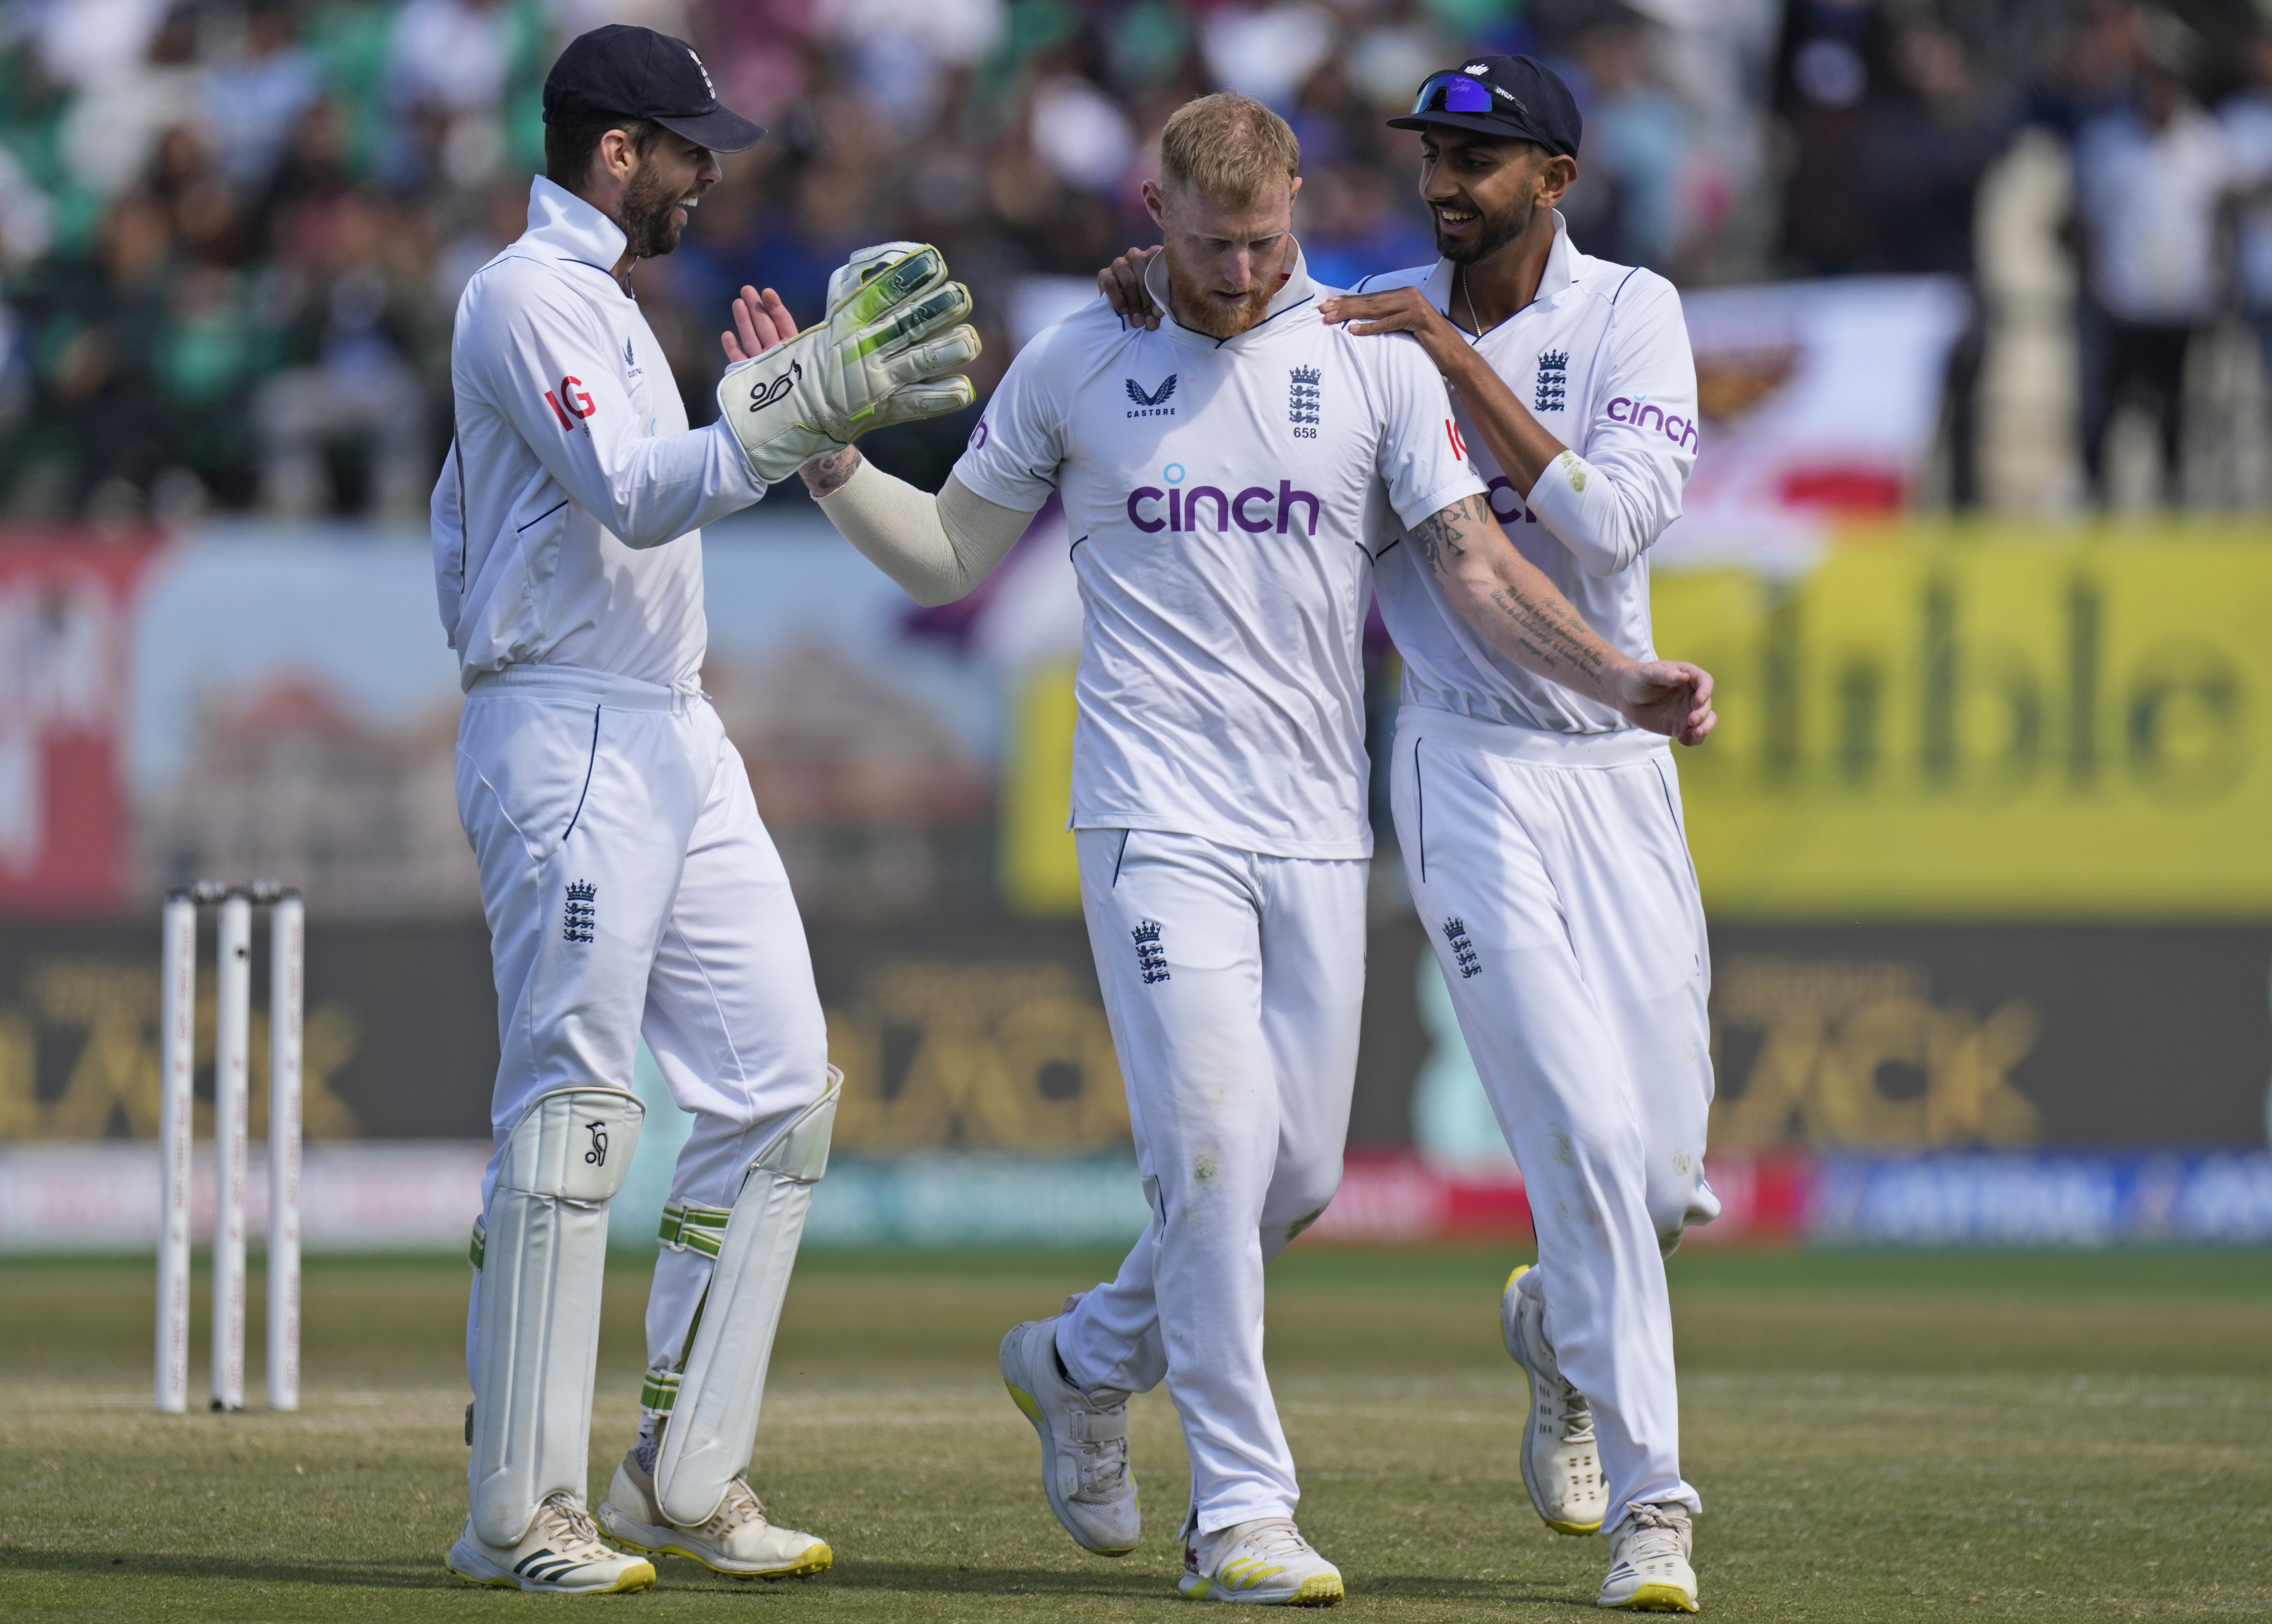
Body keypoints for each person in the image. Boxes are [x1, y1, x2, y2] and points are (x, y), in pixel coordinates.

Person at [757, 89, 1712, 1607]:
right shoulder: (1081, 359)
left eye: (1268, 242)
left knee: (1293, 1178)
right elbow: (948, 550)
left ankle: (1080, 1362)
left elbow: (1473, 568)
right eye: (1213, 248)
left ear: (1301, 218)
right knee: (1208, 1154)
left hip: (1317, 827)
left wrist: (1615, 681)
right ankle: (1243, 1514)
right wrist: (825, 462)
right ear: (1155, 219)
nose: (1245, 273)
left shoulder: (1367, 356)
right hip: (1151, 818)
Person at [1098, 52, 1719, 1615]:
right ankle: (1660, 1505)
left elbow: (1607, 523)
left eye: (1484, 159)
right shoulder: (1361, 316)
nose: (1448, 183)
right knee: (1575, 1135)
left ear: (1555, 181)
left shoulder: (1628, 313)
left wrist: (1452, 356)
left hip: (1620, 772)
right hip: (1465, 767)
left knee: (1657, 1177)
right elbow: (1222, 318)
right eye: (1435, 155)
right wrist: (1148, 277)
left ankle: (1558, 1335)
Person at [430, 24, 976, 1593]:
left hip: (675, 723)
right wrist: (803, 392)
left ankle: (684, 1470)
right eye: (687, 149)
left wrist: (792, 406)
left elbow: (677, 469)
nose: (707, 173)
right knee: (577, 1111)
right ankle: (516, 1515)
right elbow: (640, 492)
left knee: (779, 1088)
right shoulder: (525, 296)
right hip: (566, 730)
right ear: (617, 153)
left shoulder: (602, 304)